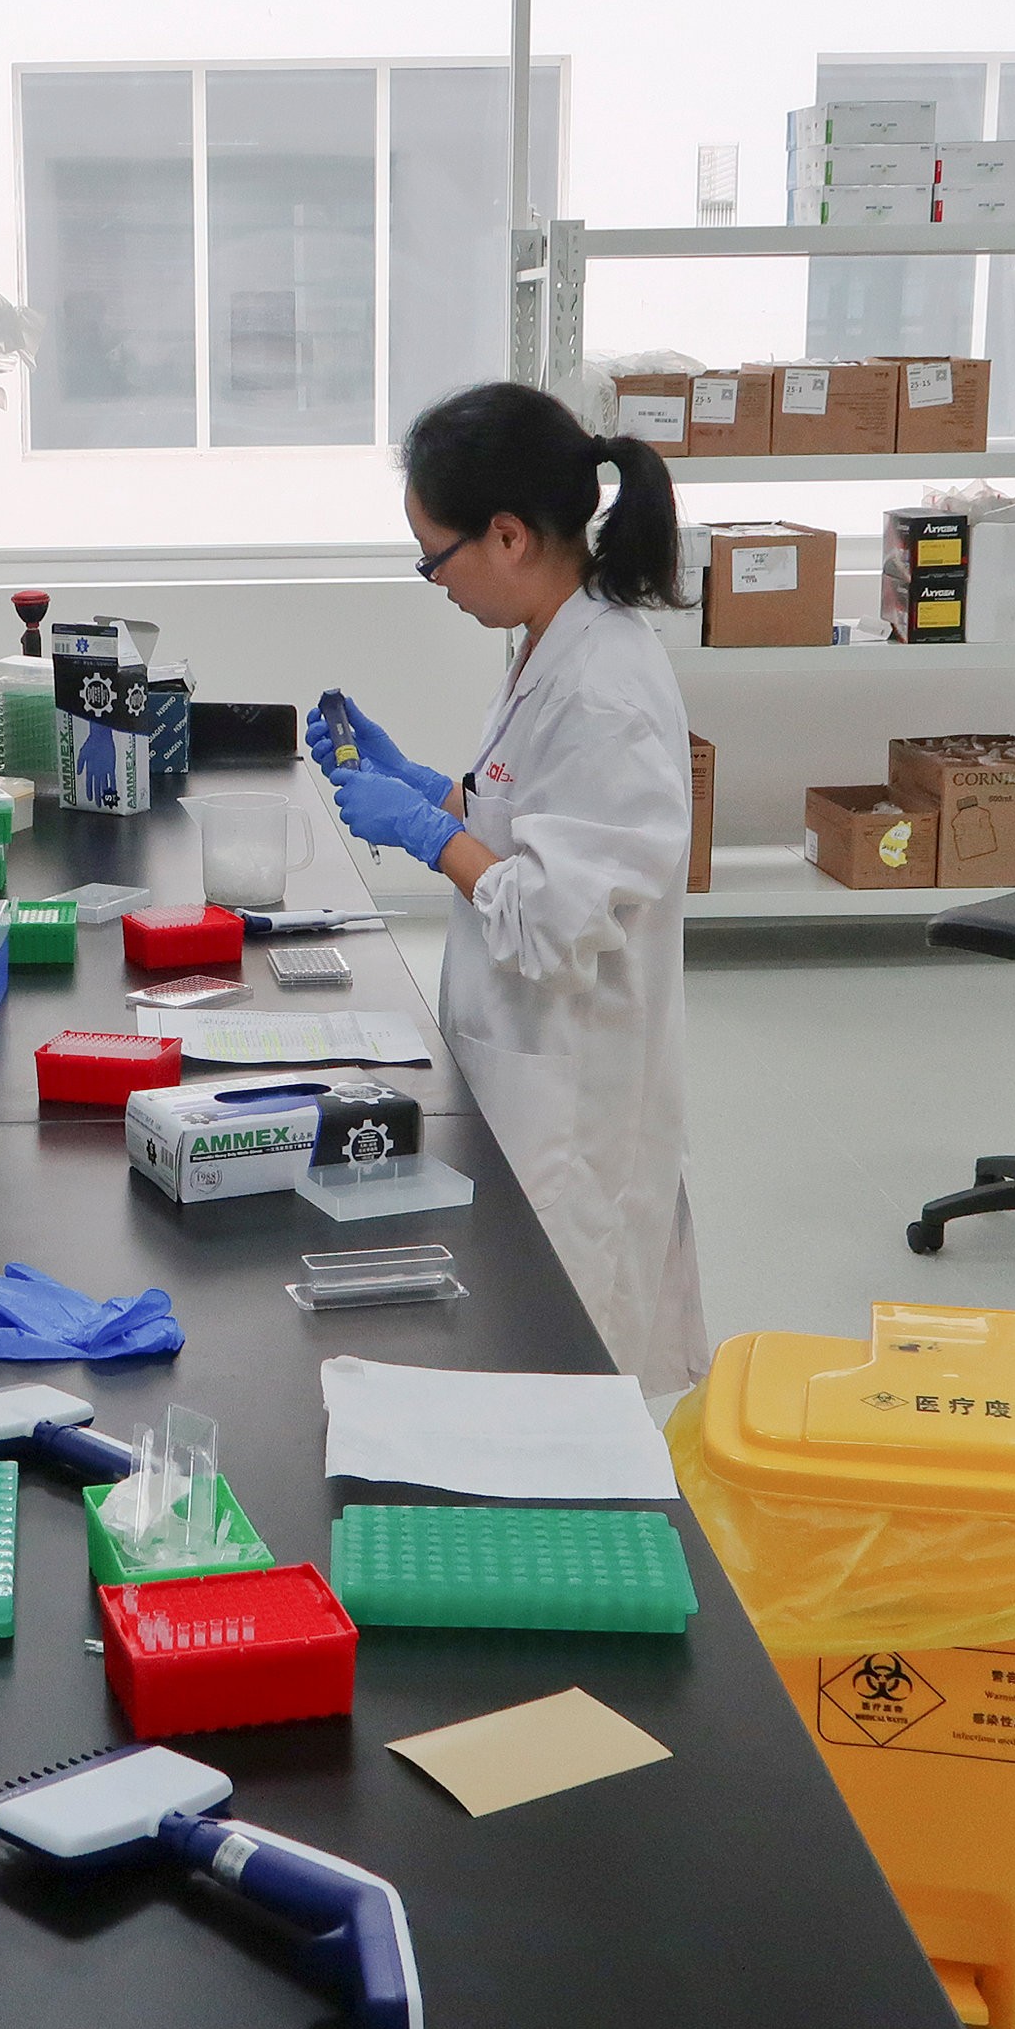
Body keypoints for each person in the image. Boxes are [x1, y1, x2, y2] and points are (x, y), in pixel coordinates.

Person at [309, 381, 706, 1396]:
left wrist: (431, 836)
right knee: (522, 1346)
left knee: (563, 1370)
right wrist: (426, 788)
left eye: (436, 558)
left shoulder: (601, 687)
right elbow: (528, 821)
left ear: (509, 535)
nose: (434, 580)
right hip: (523, 1065)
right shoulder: (553, 640)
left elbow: (553, 919)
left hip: (573, 1095)